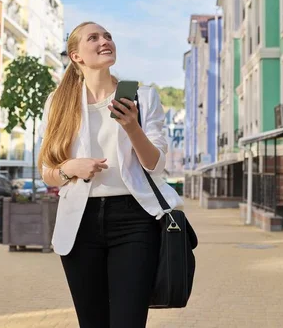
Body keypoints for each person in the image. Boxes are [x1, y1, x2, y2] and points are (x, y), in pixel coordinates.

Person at [37, 22, 184, 328]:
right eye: (94, 38)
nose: (105, 41)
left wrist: (132, 126)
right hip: (80, 222)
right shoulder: (58, 103)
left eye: (108, 36)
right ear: (76, 56)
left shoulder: (143, 96)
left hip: (134, 220)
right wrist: (70, 168)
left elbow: (155, 165)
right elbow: (47, 172)